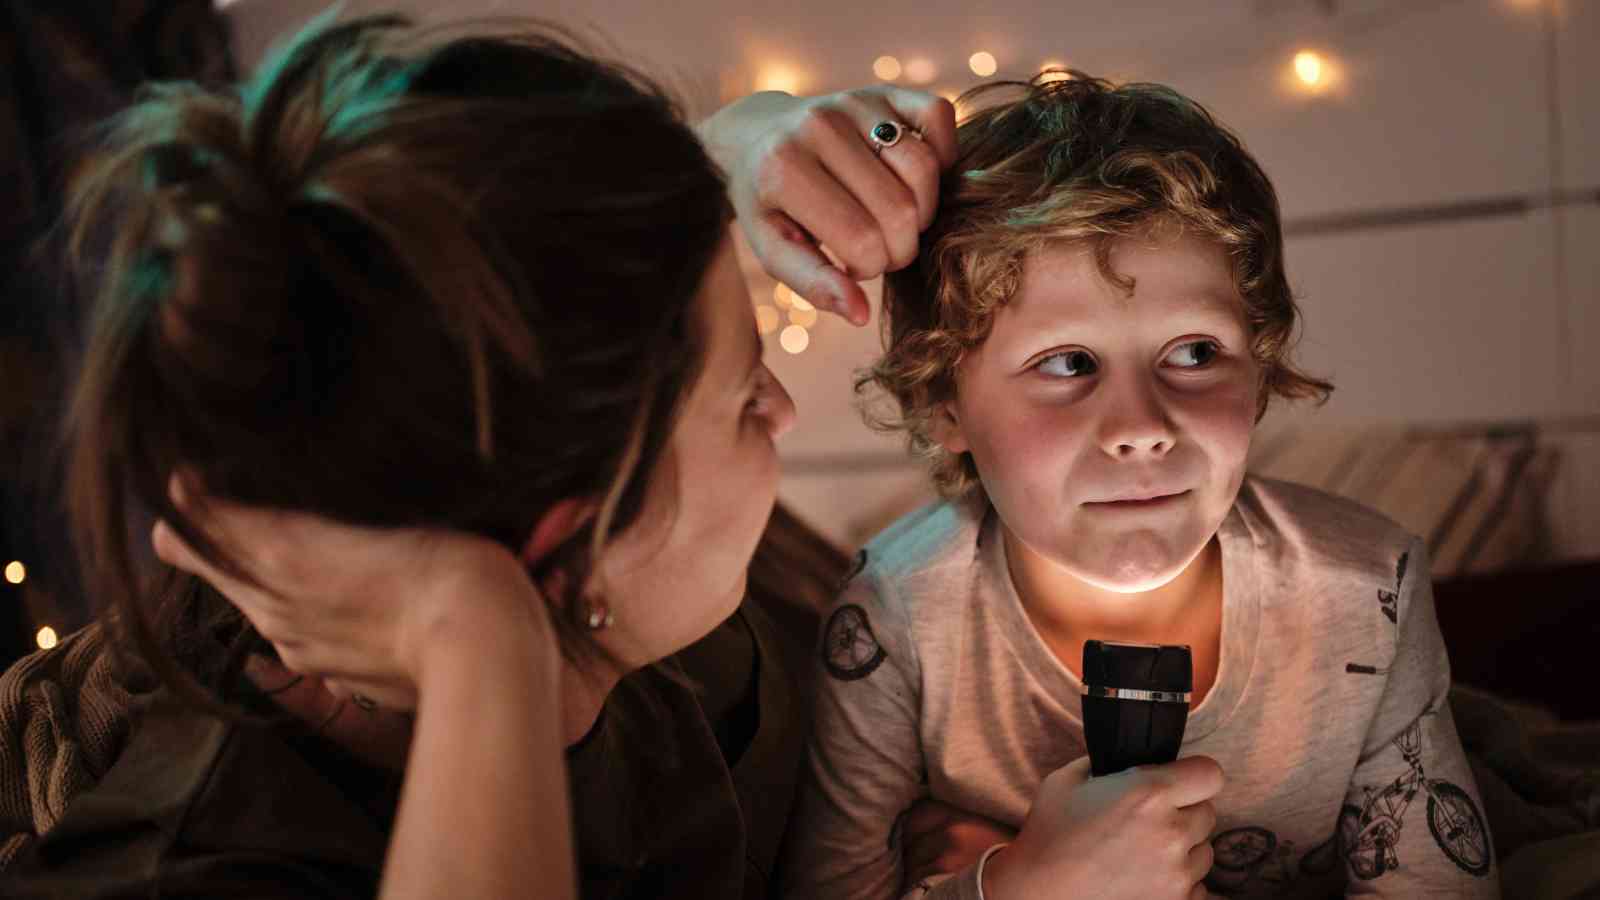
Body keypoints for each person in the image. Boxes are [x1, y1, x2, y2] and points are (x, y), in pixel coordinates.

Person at [0, 10, 975, 899]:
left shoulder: (619, 581)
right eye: (741, 396)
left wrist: (733, 147)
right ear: (570, 544)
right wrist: (477, 631)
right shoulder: (212, 867)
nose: (782, 412)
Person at [780, 73, 1501, 899]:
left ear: (1259, 369)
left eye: (1195, 353)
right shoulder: (895, 616)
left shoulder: (1369, 591)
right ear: (941, 401)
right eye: (1067, 363)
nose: (1142, 424)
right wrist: (1017, 886)